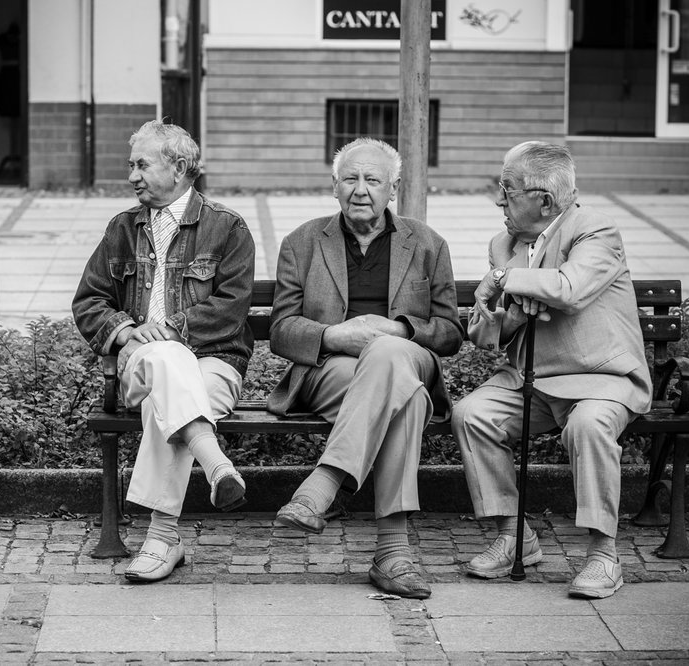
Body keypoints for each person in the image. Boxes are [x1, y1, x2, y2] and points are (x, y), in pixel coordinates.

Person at [452, 141, 652, 599]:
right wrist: (502, 317)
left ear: (544, 199)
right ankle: (514, 535)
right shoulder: (504, 243)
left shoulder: (595, 230)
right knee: (471, 414)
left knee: (588, 423)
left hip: (602, 379)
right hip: (532, 380)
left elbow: (570, 288)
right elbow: (490, 335)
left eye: (507, 188)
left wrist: (506, 281)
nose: (499, 200)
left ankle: (604, 554)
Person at [268, 138, 463, 599]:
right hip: (331, 370)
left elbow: (451, 331)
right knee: (409, 400)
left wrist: (399, 330)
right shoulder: (303, 242)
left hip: (408, 357)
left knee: (389, 357)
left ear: (392, 189)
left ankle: (324, 483)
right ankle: (393, 553)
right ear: (334, 186)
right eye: (350, 179)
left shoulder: (428, 244)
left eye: (372, 180)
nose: (361, 190)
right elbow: (280, 330)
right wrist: (336, 336)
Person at [72, 120, 255, 583]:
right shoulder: (121, 229)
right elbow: (88, 301)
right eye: (130, 165)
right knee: (164, 361)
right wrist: (126, 331)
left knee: (170, 395)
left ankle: (163, 537)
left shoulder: (227, 228)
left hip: (215, 364)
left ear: (178, 167)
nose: (131, 175)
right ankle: (216, 465)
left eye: (141, 164)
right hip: (140, 364)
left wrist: (170, 329)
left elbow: (231, 309)